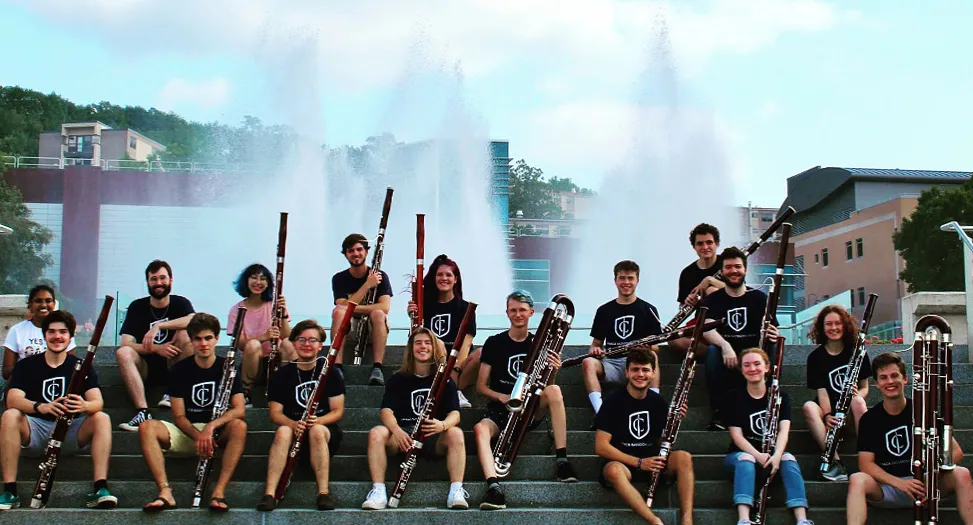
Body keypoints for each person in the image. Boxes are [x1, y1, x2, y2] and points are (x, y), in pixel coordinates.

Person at [0, 310, 116, 510]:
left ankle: (100, 488)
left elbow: (97, 402)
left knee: (102, 418)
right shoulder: (27, 365)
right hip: (35, 430)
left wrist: (84, 406)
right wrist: (41, 407)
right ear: (44, 336)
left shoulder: (82, 366)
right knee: (10, 415)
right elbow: (12, 398)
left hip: (69, 433)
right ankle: (10, 490)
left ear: (71, 337)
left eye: (63, 332)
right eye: (52, 332)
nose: (57, 336)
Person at [474, 290, 577, 511]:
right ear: (507, 313)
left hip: (530, 407)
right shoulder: (494, 343)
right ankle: (494, 486)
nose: (518, 314)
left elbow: (546, 384)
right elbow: (480, 387)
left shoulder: (540, 343)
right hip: (501, 409)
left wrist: (554, 369)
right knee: (480, 429)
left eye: (522, 310)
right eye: (513, 310)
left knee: (555, 391)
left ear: (531, 312)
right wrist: (502, 397)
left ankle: (562, 461)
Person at [847, 352, 973, 525]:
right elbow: (865, 464)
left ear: (905, 379)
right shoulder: (869, 419)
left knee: (962, 473)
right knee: (857, 479)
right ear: (877, 384)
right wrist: (900, 483)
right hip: (889, 487)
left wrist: (932, 478)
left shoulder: (925, 410)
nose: (890, 382)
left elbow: (956, 452)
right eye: (883, 378)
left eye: (894, 376)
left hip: (927, 485)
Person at [138, 313, 247, 512]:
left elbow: (239, 409)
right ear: (191, 340)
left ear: (216, 338)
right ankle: (165, 492)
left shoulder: (228, 366)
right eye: (197, 339)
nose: (203, 343)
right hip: (189, 432)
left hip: (217, 431)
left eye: (208, 338)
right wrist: (199, 435)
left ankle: (219, 493)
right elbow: (178, 416)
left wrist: (211, 427)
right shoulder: (180, 370)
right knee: (146, 427)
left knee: (239, 426)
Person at [360, 327, 467, 510]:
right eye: (418, 343)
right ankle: (378, 491)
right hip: (404, 436)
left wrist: (442, 425)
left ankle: (456, 491)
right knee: (377, 432)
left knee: (456, 433)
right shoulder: (398, 379)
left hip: (433, 433)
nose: (423, 346)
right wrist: (397, 431)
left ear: (433, 348)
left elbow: (455, 414)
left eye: (427, 343)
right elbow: (386, 411)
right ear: (411, 348)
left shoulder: (444, 380)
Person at [595, 348, 695, 525]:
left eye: (645, 370)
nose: (640, 374)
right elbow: (601, 447)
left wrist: (675, 421)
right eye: (635, 369)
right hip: (624, 462)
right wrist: (640, 463)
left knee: (684, 458)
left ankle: (687, 520)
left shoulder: (658, 403)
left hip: (652, 460)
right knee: (613, 471)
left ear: (653, 373)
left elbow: (662, 442)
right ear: (627, 372)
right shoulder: (612, 401)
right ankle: (653, 520)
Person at [257, 319, 344, 511]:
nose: (307, 344)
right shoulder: (282, 375)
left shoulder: (331, 372)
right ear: (294, 344)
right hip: (292, 431)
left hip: (323, 431)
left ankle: (323, 493)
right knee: (282, 432)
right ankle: (270, 493)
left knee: (317, 431)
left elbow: (338, 411)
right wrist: (293, 424)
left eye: (312, 340)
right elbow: (275, 413)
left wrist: (318, 421)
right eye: (302, 339)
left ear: (320, 346)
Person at [723, 348, 811, 525]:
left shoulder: (780, 396)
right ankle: (744, 518)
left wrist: (777, 456)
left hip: (772, 455)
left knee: (789, 458)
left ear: (767, 368)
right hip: (741, 455)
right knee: (747, 458)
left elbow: (784, 431)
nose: (752, 368)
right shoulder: (733, 397)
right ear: (741, 370)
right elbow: (737, 437)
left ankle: (802, 519)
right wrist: (758, 456)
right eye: (747, 365)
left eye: (757, 364)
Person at [702, 247, 778, 430]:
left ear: (745, 269)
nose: (733, 271)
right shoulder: (713, 299)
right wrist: (725, 345)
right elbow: (706, 329)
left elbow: (773, 328)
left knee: (773, 347)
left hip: (753, 353)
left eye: (737, 266)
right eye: (728, 267)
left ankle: (766, 405)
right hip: (727, 356)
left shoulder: (759, 298)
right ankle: (719, 411)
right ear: (722, 272)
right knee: (712, 352)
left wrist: (773, 334)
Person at [115, 260, 196, 432]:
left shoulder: (180, 303)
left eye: (162, 278)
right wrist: (157, 349)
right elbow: (126, 343)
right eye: (153, 279)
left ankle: (172, 390)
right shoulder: (137, 307)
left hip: (173, 365)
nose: (158, 283)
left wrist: (159, 326)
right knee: (123, 352)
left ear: (171, 280)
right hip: (145, 369)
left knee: (184, 332)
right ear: (147, 282)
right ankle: (143, 412)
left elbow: (193, 320)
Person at [581, 260, 663, 415]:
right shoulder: (604, 310)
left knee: (651, 356)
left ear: (637, 280)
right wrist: (596, 350)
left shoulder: (649, 310)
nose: (626, 282)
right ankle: (601, 413)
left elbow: (657, 348)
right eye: (622, 278)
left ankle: (654, 404)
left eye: (630, 278)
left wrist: (644, 347)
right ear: (615, 281)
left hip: (638, 364)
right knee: (588, 363)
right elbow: (595, 344)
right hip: (611, 363)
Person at [802, 305, 870, 482]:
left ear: (845, 325)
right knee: (809, 406)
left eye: (838, 323)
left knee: (859, 403)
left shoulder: (857, 351)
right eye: (829, 324)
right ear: (822, 328)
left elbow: (865, 387)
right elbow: (822, 392)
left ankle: (870, 457)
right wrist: (827, 416)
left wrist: (856, 396)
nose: (834, 328)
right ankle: (835, 461)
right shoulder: (815, 358)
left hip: (851, 413)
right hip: (830, 412)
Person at [406, 254, 478, 408]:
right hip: (432, 359)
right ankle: (451, 391)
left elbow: (466, 344)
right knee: (437, 344)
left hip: (458, 362)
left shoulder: (465, 308)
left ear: (456, 279)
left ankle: (454, 389)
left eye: (448, 275)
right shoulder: (425, 306)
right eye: (439, 274)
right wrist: (412, 317)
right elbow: (416, 340)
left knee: (481, 353)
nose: (444, 278)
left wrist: (456, 367)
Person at [227, 263, 295, 406]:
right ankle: (246, 392)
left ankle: (290, 388)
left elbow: (287, 336)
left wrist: (282, 314)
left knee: (289, 344)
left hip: (276, 358)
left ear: (268, 283)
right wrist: (264, 337)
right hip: (252, 362)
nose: (258, 282)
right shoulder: (236, 310)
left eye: (263, 279)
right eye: (253, 278)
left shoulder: (273, 305)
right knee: (252, 345)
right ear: (246, 281)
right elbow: (239, 344)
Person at [331, 233, 392, 386]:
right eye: (351, 250)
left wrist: (352, 307)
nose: (356, 254)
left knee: (378, 314)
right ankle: (336, 367)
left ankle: (377, 367)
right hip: (349, 329)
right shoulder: (339, 278)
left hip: (373, 329)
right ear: (345, 254)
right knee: (338, 312)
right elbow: (340, 305)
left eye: (359, 249)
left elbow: (384, 307)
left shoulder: (381, 276)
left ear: (366, 251)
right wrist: (367, 285)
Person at [3, 284, 77, 380]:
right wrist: (35, 369)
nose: (43, 305)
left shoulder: (63, 332)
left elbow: (71, 367)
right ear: (30, 304)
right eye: (38, 301)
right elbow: (6, 372)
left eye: (48, 301)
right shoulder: (17, 331)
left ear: (54, 304)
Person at [670, 223, 724, 354]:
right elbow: (682, 306)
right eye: (700, 244)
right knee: (672, 339)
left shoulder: (727, 263)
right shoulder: (687, 273)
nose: (705, 247)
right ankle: (714, 353)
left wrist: (711, 281)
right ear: (694, 247)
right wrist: (687, 302)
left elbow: (743, 290)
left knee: (712, 291)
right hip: (702, 322)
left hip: (726, 319)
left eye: (709, 242)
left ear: (717, 244)